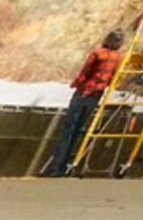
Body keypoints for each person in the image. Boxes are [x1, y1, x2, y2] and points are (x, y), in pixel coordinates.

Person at [39, 28, 125, 178]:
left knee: (68, 130)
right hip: (96, 95)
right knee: (79, 131)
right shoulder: (118, 58)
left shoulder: (97, 54)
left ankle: (55, 168)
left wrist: (75, 84)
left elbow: (85, 72)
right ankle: (67, 166)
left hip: (84, 92)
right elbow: (114, 78)